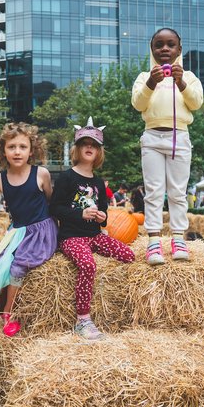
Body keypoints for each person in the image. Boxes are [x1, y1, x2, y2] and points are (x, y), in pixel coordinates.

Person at [50, 118, 135, 340]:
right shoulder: (66, 177)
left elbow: (104, 215)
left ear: (99, 152)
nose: (89, 147)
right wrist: (80, 213)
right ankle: (83, 320)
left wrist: (102, 217)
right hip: (72, 237)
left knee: (128, 255)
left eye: (94, 145)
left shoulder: (98, 183)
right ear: (77, 149)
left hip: (94, 236)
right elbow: (55, 208)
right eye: (85, 143)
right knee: (88, 265)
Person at [0, 122, 57, 338]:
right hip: (17, 231)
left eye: (23, 146)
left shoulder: (42, 174)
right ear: (3, 151)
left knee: (18, 267)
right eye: (12, 147)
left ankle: (9, 313)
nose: (17, 151)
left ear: (32, 150)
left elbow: (52, 203)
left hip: (40, 232)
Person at [131, 27, 204, 265]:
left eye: (170, 45)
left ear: (179, 49)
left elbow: (196, 103)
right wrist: (152, 82)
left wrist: (181, 81)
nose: (164, 49)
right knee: (153, 191)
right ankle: (154, 241)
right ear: (151, 49)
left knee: (177, 192)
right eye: (159, 45)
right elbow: (138, 104)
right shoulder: (144, 77)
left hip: (179, 138)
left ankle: (178, 238)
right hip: (152, 137)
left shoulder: (189, 76)